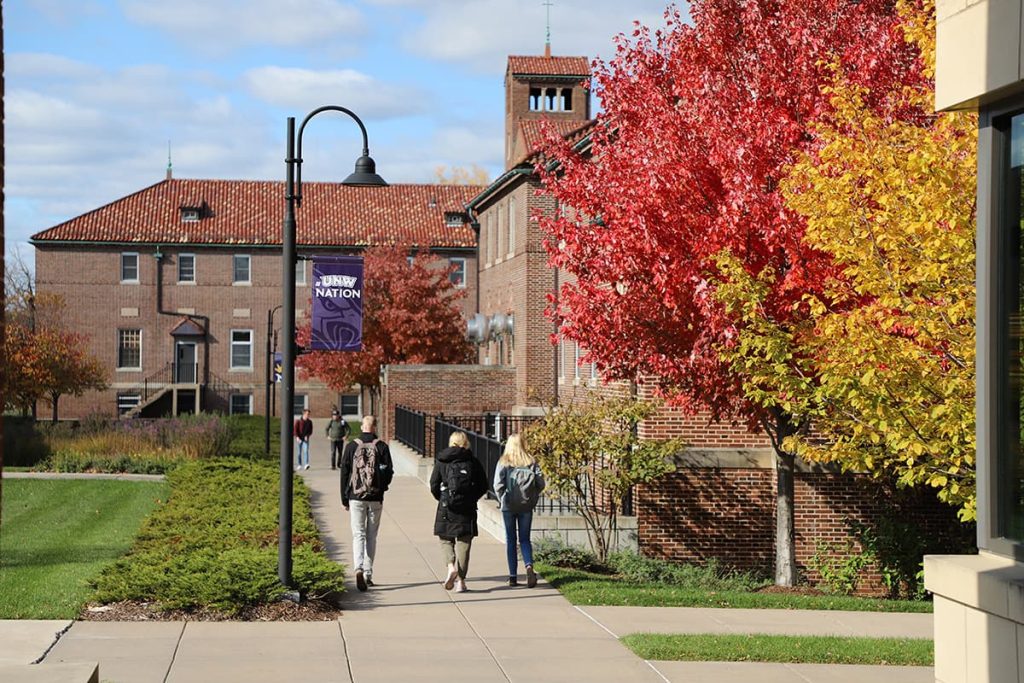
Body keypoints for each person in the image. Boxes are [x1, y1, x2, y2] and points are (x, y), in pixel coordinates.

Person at [340, 415, 394, 591]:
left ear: (363, 426)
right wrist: (382, 488)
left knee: (358, 535)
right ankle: (368, 574)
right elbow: (389, 472)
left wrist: (344, 497)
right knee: (371, 536)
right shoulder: (382, 446)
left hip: (355, 497)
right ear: (375, 427)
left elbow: (344, 474)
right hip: (375, 498)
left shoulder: (351, 446)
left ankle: (358, 568)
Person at [430, 431, 488, 593]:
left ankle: (450, 566)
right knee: (464, 543)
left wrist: (441, 498)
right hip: (467, 508)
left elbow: (434, 483)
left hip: (446, 506)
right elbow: (483, 485)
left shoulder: (442, 461)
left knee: (445, 539)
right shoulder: (472, 461)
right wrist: (472, 497)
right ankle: (461, 581)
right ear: (466, 443)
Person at [493, 433, 545, 587]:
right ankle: (529, 565)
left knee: (510, 540)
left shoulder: (504, 462)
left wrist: (502, 499)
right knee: (524, 539)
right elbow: (541, 483)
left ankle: (513, 576)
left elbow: (497, 484)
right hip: (526, 506)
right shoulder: (531, 461)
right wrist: (533, 496)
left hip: (508, 506)